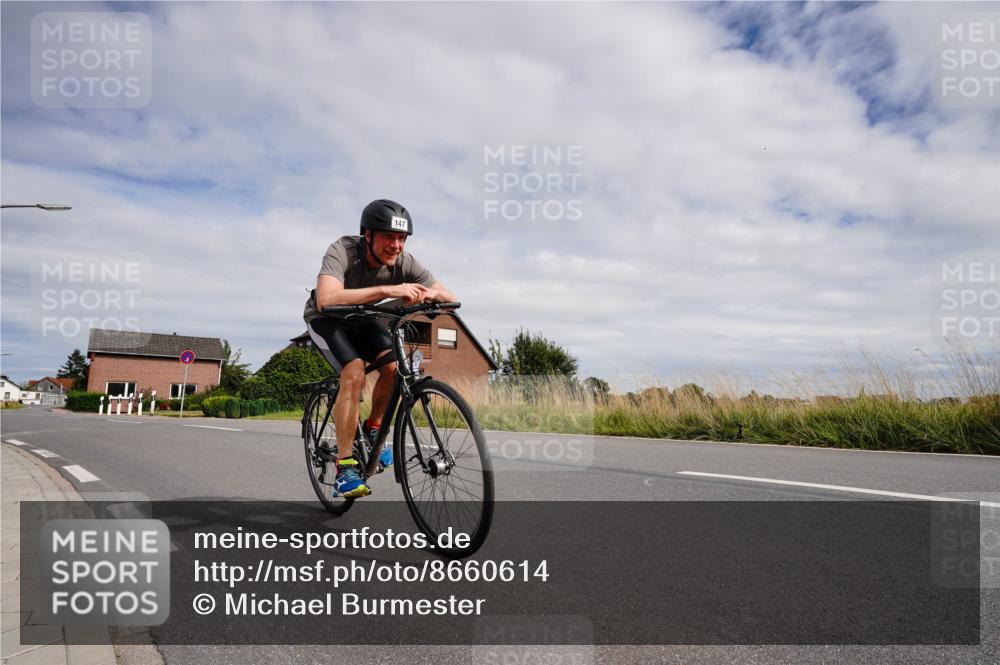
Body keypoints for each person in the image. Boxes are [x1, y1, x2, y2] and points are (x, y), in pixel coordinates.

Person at [303, 199, 456, 498]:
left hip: (364, 319)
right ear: (367, 235)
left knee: (394, 368)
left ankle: (374, 428)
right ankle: (345, 467)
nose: (396, 246)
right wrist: (389, 290)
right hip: (326, 319)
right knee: (354, 370)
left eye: (402, 238)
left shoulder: (405, 262)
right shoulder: (343, 250)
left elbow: (448, 293)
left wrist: (428, 296)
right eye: (389, 236)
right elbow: (326, 297)